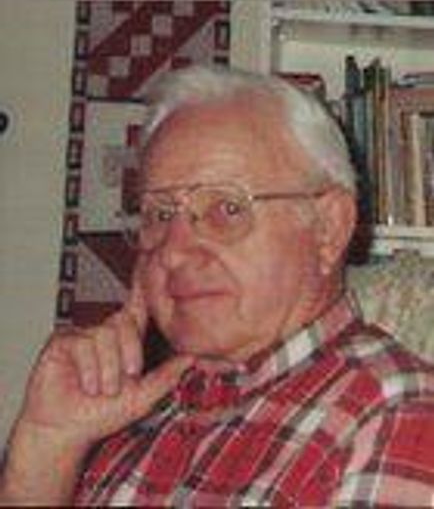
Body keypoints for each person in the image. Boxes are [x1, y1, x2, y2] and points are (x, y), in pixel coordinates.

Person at [1, 65, 434, 507]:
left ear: (329, 228)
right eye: (159, 214)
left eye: (226, 209)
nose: (172, 252)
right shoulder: (127, 419)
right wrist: (47, 445)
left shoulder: (396, 413)